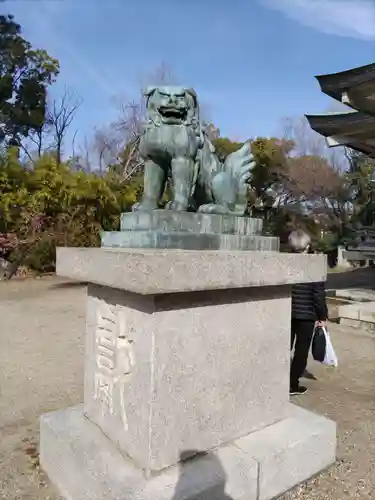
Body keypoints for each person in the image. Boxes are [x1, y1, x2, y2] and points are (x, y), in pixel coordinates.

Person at [289, 229, 328, 396]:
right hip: (306, 316)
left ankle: (276, 380)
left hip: (287, 312)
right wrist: (322, 317)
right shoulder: (314, 266)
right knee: (301, 350)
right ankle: (292, 384)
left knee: (283, 348)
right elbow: (318, 296)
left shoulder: (285, 263)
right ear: (307, 246)